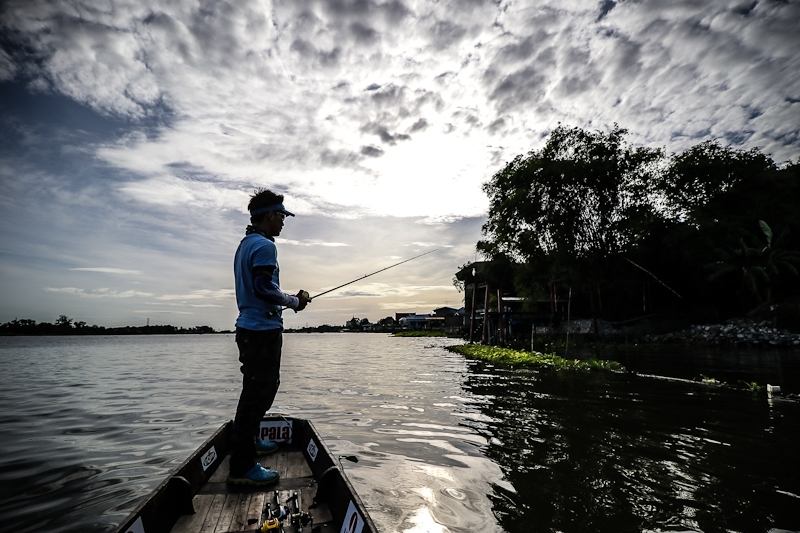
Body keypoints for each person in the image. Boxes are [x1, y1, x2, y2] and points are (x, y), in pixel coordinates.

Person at [227, 188, 311, 486]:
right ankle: (242, 466)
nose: (284, 222)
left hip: (251, 329)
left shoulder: (245, 244)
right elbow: (263, 288)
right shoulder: (264, 246)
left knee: (259, 389)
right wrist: (294, 301)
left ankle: (249, 440)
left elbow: (259, 288)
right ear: (269, 215)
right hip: (260, 332)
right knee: (256, 395)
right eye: (281, 216)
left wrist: (286, 301)